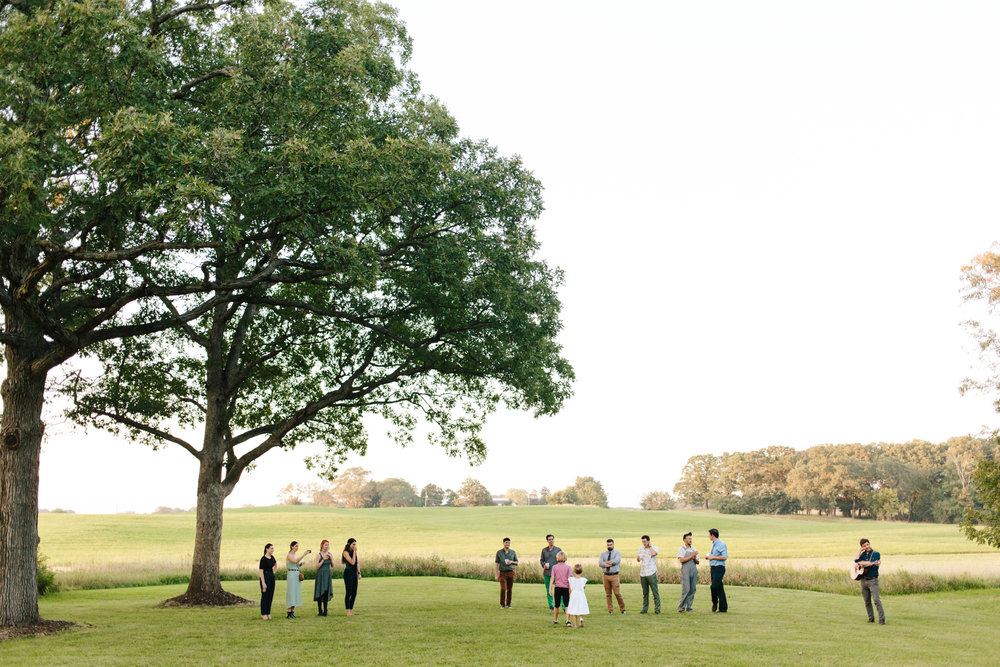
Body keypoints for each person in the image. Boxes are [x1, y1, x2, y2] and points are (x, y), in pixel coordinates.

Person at [855, 538, 885, 624]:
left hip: (872, 580)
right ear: (862, 547)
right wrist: (859, 551)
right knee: (867, 601)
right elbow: (856, 561)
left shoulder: (875, 553)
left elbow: (869, 563)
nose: (867, 546)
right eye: (864, 546)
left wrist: (862, 563)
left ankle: (881, 619)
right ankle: (871, 618)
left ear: (869, 544)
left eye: (867, 544)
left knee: (876, 600)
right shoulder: (863, 554)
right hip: (863, 580)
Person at [285, 541, 311, 619]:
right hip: (291, 574)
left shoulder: (295, 555)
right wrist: (304, 555)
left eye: (298, 546)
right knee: (291, 591)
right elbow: (295, 561)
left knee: (295, 592)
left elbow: (296, 564)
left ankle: (292, 611)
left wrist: (301, 564)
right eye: (296, 546)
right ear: (292, 546)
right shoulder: (289, 555)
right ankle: (289, 611)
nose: (297, 547)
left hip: (296, 573)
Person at [599, 538, 625, 614]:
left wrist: (606, 563)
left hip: (614, 576)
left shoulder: (617, 553)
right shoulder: (603, 554)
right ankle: (610, 610)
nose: (609, 546)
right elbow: (600, 563)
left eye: (610, 544)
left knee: (617, 593)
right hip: (605, 576)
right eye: (608, 545)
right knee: (608, 594)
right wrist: (606, 564)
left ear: (613, 544)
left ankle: (622, 609)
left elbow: (616, 561)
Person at [636, 534, 660, 614]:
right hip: (643, 573)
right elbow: (638, 559)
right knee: (645, 593)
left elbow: (653, 554)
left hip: (651, 572)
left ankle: (657, 609)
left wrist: (649, 547)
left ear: (648, 541)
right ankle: (644, 609)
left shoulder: (654, 548)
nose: (644, 543)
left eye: (645, 542)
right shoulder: (641, 548)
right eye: (642, 542)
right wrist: (638, 558)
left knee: (655, 592)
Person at [676, 532, 699, 612]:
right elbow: (681, 560)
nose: (690, 540)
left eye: (691, 539)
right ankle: (681, 607)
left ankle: (689, 607)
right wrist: (691, 556)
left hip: (693, 569)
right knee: (686, 588)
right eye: (689, 539)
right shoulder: (681, 549)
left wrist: (694, 558)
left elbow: (697, 562)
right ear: (684, 540)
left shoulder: (694, 549)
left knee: (692, 589)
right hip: (686, 570)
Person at [494, 537, 519, 608]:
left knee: (509, 589)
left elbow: (517, 562)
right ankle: (502, 604)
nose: (508, 544)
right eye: (506, 543)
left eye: (509, 543)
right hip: (502, 573)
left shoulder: (513, 552)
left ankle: (508, 604)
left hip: (511, 572)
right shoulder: (499, 552)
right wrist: (496, 575)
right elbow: (496, 564)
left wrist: (511, 562)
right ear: (503, 543)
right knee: (503, 588)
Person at [706, 528, 727, 613]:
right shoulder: (714, 544)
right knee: (719, 588)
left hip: (719, 568)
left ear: (712, 535)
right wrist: (709, 556)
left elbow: (724, 557)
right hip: (713, 568)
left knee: (714, 586)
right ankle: (723, 608)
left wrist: (712, 557)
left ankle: (715, 602)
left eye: (709, 535)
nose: (708, 537)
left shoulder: (721, 544)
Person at [548, 551, 572, 626]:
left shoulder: (554, 567)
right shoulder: (568, 567)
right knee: (567, 605)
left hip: (557, 588)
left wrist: (550, 589)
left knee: (556, 605)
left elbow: (552, 578)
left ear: (557, 558)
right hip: (565, 588)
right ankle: (568, 620)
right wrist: (570, 590)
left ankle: (555, 619)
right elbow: (569, 579)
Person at [540, 534, 563, 610]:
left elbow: (562, 560)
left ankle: (563, 606)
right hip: (547, 573)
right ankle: (551, 606)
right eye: (549, 539)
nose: (551, 541)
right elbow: (541, 560)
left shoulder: (558, 550)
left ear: (554, 540)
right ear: (547, 541)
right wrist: (544, 565)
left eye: (552, 539)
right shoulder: (544, 550)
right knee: (548, 590)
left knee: (560, 590)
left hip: (557, 574)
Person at [313, 539, 334, 616]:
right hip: (321, 574)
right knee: (320, 591)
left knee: (326, 592)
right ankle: (319, 610)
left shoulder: (330, 554)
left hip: (327, 574)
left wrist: (331, 558)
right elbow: (316, 567)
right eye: (325, 545)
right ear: (322, 545)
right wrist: (323, 560)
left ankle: (325, 610)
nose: (327, 546)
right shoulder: (319, 555)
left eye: (328, 545)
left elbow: (333, 565)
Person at [342, 538, 362, 616]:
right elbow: (352, 562)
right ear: (349, 544)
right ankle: (348, 611)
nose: (355, 546)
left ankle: (351, 610)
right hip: (348, 573)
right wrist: (354, 551)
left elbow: (357, 563)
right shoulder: (345, 552)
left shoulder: (354, 552)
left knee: (354, 592)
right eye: (353, 544)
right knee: (349, 592)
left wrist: (359, 573)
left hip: (354, 573)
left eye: (355, 544)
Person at [566, 563, 590, 628]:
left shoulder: (571, 579)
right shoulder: (583, 580)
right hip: (581, 594)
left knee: (574, 608)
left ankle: (576, 624)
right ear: (581, 571)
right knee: (580, 606)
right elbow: (584, 587)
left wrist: (570, 595)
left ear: (574, 571)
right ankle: (581, 618)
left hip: (574, 595)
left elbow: (570, 589)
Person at [258, 543, 277, 620]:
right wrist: (263, 582)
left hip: (271, 577)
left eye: (273, 548)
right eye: (271, 548)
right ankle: (263, 613)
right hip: (265, 577)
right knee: (265, 596)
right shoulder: (263, 559)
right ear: (267, 549)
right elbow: (261, 571)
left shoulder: (272, 557)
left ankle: (268, 612)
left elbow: (276, 564)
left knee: (270, 595)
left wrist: (273, 573)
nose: (272, 550)